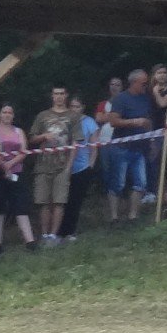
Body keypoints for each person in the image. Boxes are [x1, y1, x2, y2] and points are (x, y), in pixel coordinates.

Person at [105, 70, 157, 222]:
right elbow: (113, 121)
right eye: (143, 83)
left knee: (141, 183)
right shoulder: (120, 99)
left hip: (140, 148)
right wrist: (134, 122)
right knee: (118, 184)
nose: (146, 86)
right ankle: (114, 217)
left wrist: (152, 140)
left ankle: (133, 216)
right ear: (134, 82)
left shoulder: (145, 99)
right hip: (121, 147)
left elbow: (148, 120)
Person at [30, 87, 77, 244]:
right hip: (43, 164)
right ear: (52, 96)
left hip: (63, 164)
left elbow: (76, 143)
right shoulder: (42, 116)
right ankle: (44, 234)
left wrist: (69, 166)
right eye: (56, 94)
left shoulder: (73, 116)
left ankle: (53, 235)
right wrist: (44, 136)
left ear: (66, 95)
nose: (59, 97)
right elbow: (32, 139)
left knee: (59, 201)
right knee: (43, 201)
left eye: (62, 94)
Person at [0, 103, 35, 250]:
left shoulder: (19, 131)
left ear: (13, 115)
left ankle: (30, 242)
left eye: (10, 112)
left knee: (21, 205)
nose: (7, 115)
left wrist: (10, 164)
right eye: (4, 112)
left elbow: (23, 151)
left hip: (16, 172)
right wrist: (3, 165)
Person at [57, 95, 100, 241]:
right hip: (63, 165)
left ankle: (70, 231)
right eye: (72, 106)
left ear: (82, 108)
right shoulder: (64, 122)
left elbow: (94, 147)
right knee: (62, 199)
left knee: (75, 201)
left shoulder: (90, 122)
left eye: (77, 106)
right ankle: (58, 230)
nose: (74, 109)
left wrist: (90, 166)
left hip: (82, 167)